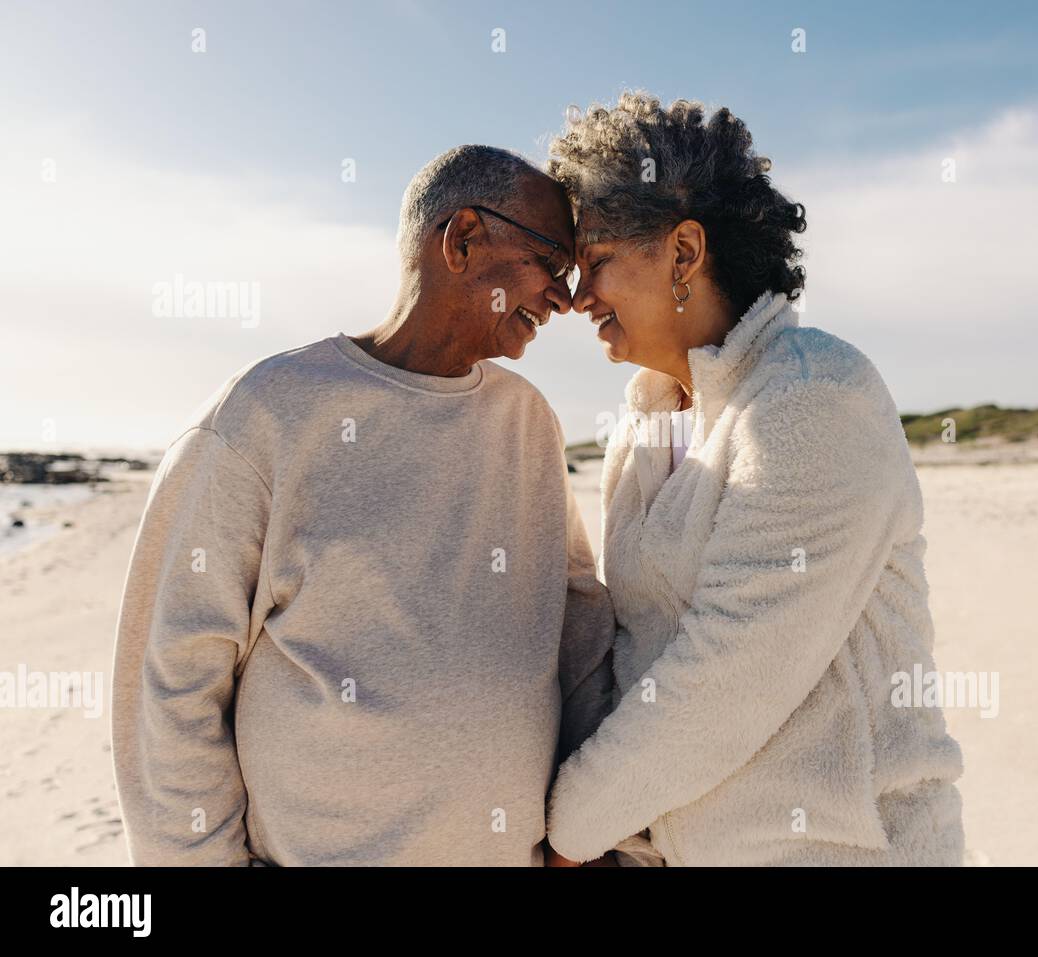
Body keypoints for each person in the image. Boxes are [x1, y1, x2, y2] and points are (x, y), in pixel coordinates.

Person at [111, 145, 615, 865]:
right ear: (462, 239)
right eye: (550, 262)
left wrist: (591, 835)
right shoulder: (266, 415)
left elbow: (581, 633)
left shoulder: (529, 425)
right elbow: (168, 680)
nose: (564, 298)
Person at [544, 93, 967, 866]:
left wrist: (568, 830)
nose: (577, 297)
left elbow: (730, 677)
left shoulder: (813, 394)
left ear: (683, 252)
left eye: (597, 260)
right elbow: (635, 652)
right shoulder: (645, 419)